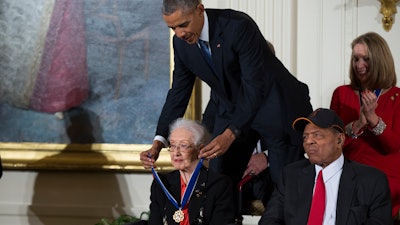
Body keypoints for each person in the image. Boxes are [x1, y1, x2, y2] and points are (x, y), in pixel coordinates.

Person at [140, 0, 312, 221]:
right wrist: (159, 140)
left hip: (274, 106)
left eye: (183, 24)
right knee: (217, 181)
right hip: (235, 108)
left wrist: (230, 134)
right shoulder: (181, 44)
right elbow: (179, 93)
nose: (180, 33)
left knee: (282, 188)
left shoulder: (238, 26)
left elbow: (254, 87)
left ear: (200, 10)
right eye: (173, 28)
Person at [258, 108, 393, 225]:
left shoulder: (372, 181)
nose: (309, 141)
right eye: (305, 137)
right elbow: (269, 220)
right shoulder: (290, 175)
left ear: (339, 140)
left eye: (317, 135)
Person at [330, 32, 400, 217]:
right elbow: (333, 144)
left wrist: (374, 119)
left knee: (368, 195)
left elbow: (393, 146)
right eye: (355, 59)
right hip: (348, 170)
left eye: (365, 59)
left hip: (385, 175)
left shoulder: (397, 97)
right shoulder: (341, 94)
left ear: (379, 60)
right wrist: (359, 123)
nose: (359, 65)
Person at [147, 118, 235, 225]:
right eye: (173, 145)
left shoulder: (219, 184)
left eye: (183, 145)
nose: (176, 152)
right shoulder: (162, 183)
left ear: (200, 149)